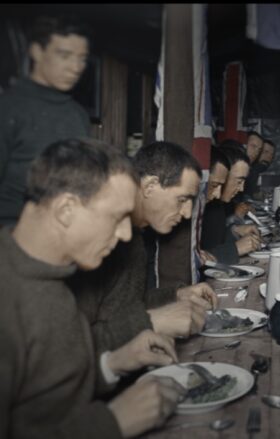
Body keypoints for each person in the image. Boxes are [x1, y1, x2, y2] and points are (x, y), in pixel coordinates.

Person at [0, 138, 186, 438]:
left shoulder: (52, 274)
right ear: (66, 210)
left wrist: (112, 363)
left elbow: (43, 399)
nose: (126, 235)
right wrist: (112, 422)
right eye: (117, 218)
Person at [69, 141, 217, 355]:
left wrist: (176, 296)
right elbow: (69, 347)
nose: (186, 213)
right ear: (149, 186)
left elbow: (124, 305)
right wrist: (151, 321)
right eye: (182, 199)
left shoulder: (135, 235)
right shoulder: (101, 240)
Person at [0, 15, 92, 225]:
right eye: (65, 55)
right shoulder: (7, 108)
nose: (76, 67)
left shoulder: (77, 114)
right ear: (36, 52)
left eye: (82, 58)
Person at [200, 145, 261, 263]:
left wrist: (234, 231)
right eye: (239, 181)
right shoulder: (203, 206)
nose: (242, 189)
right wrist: (235, 249)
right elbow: (197, 260)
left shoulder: (217, 206)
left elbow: (214, 242)